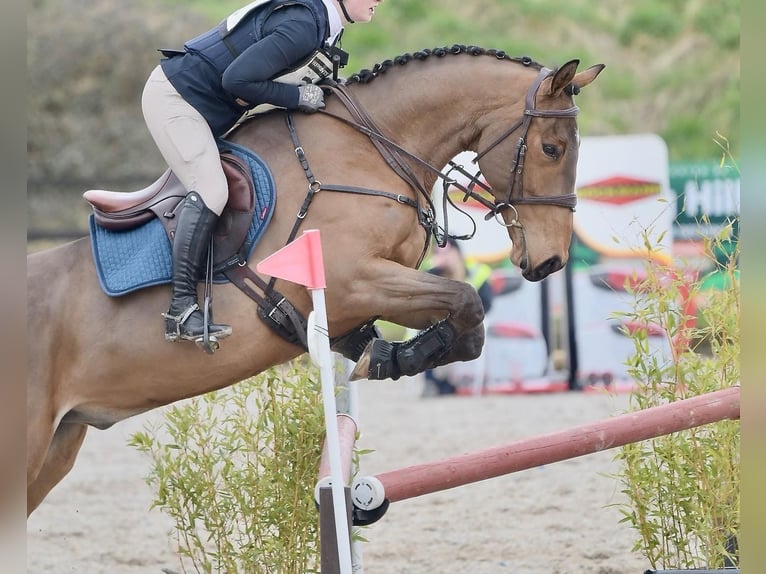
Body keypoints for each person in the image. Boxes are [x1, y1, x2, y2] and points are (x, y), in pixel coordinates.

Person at [141, 0, 384, 349]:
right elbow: (237, 80)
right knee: (212, 189)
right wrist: (297, 96)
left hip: (210, 107)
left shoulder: (324, 24)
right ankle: (180, 309)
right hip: (178, 101)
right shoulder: (304, 23)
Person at [423, 237, 494, 395]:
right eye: (438, 253)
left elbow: (487, 304)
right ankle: (433, 382)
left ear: (457, 253)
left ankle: (448, 382)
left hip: (470, 325)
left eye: (447, 252)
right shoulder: (432, 275)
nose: (443, 257)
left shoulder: (477, 272)